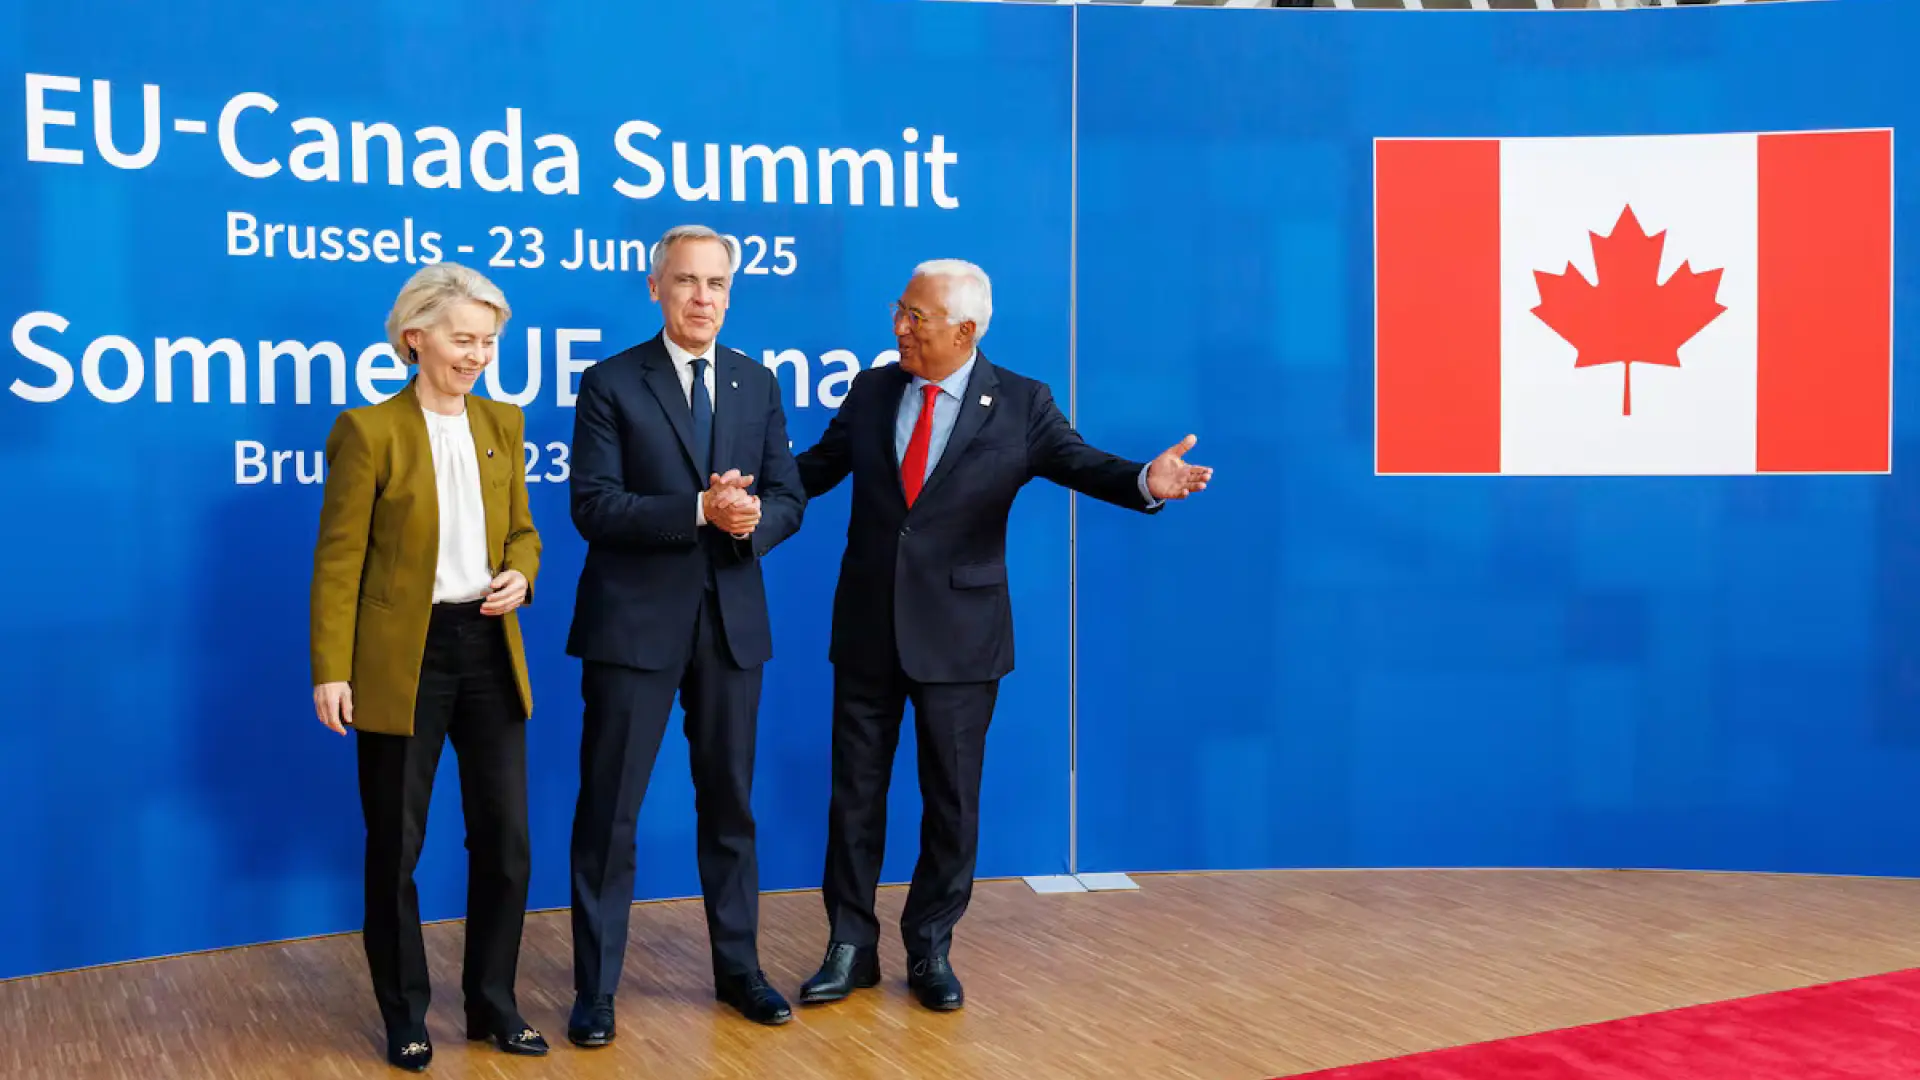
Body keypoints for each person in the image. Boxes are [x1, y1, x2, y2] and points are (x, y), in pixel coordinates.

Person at [793, 259, 1212, 1012]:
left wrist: (1146, 482)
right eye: (899, 310)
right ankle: (849, 946)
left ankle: (930, 948)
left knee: (951, 802)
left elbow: (1083, 463)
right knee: (853, 797)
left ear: (965, 330)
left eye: (916, 317)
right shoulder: (872, 390)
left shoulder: (1021, 402)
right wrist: (744, 498)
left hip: (962, 637)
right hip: (868, 628)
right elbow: (814, 470)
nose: (900, 327)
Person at [564, 224, 806, 1042]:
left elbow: (789, 497)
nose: (703, 297)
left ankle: (740, 971)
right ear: (656, 287)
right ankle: (596, 991)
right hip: (632, 629)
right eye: (687, 281)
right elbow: (594, 506)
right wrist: (698, 509)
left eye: (716, 283)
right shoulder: (609, 382)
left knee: (731, 808)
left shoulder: (755, 381)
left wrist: (749, 522)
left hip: (731, 627)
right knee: (610, 814)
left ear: (730, 294)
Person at [309, 263, 545, 1071]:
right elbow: (339, 561)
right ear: (416, 337)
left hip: (489, 647)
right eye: (463, 339)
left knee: (507, 841)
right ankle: (405, 1014)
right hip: (401, 659)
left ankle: (494, 1004)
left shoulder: (504, 421)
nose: (478, 355)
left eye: (489, 341)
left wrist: (522, 574)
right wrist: (331, 669)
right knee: (396, 846)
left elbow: (522, 531)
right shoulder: (367, 431)